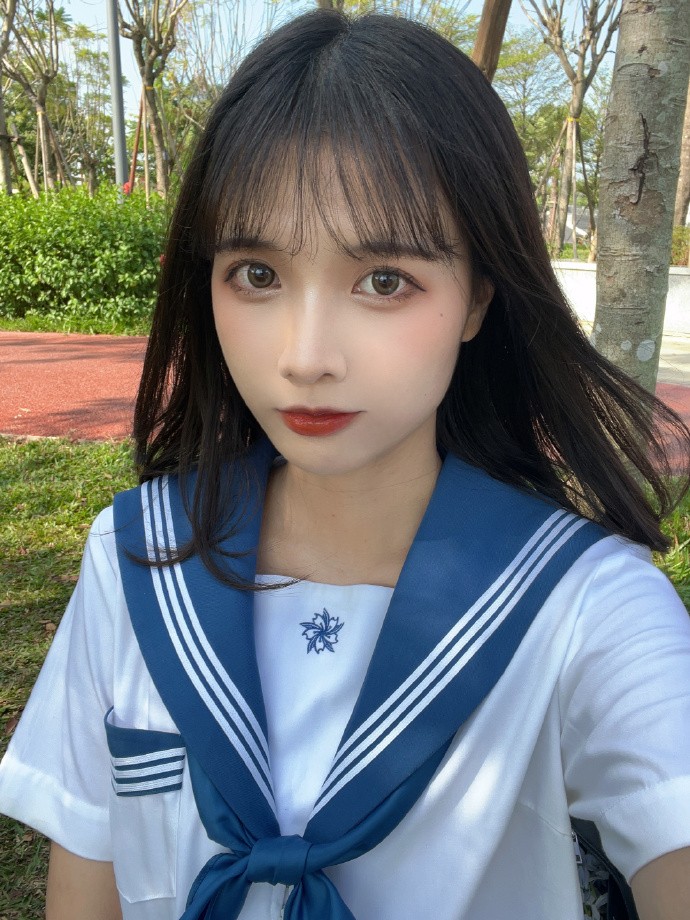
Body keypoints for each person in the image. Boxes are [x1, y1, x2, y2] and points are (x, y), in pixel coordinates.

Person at [1, 10, 689, 920]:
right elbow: (87, 888)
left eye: (383, 281)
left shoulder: (586, 608)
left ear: (478, 297)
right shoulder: (136, 562)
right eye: (256, 274)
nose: (306, 357)